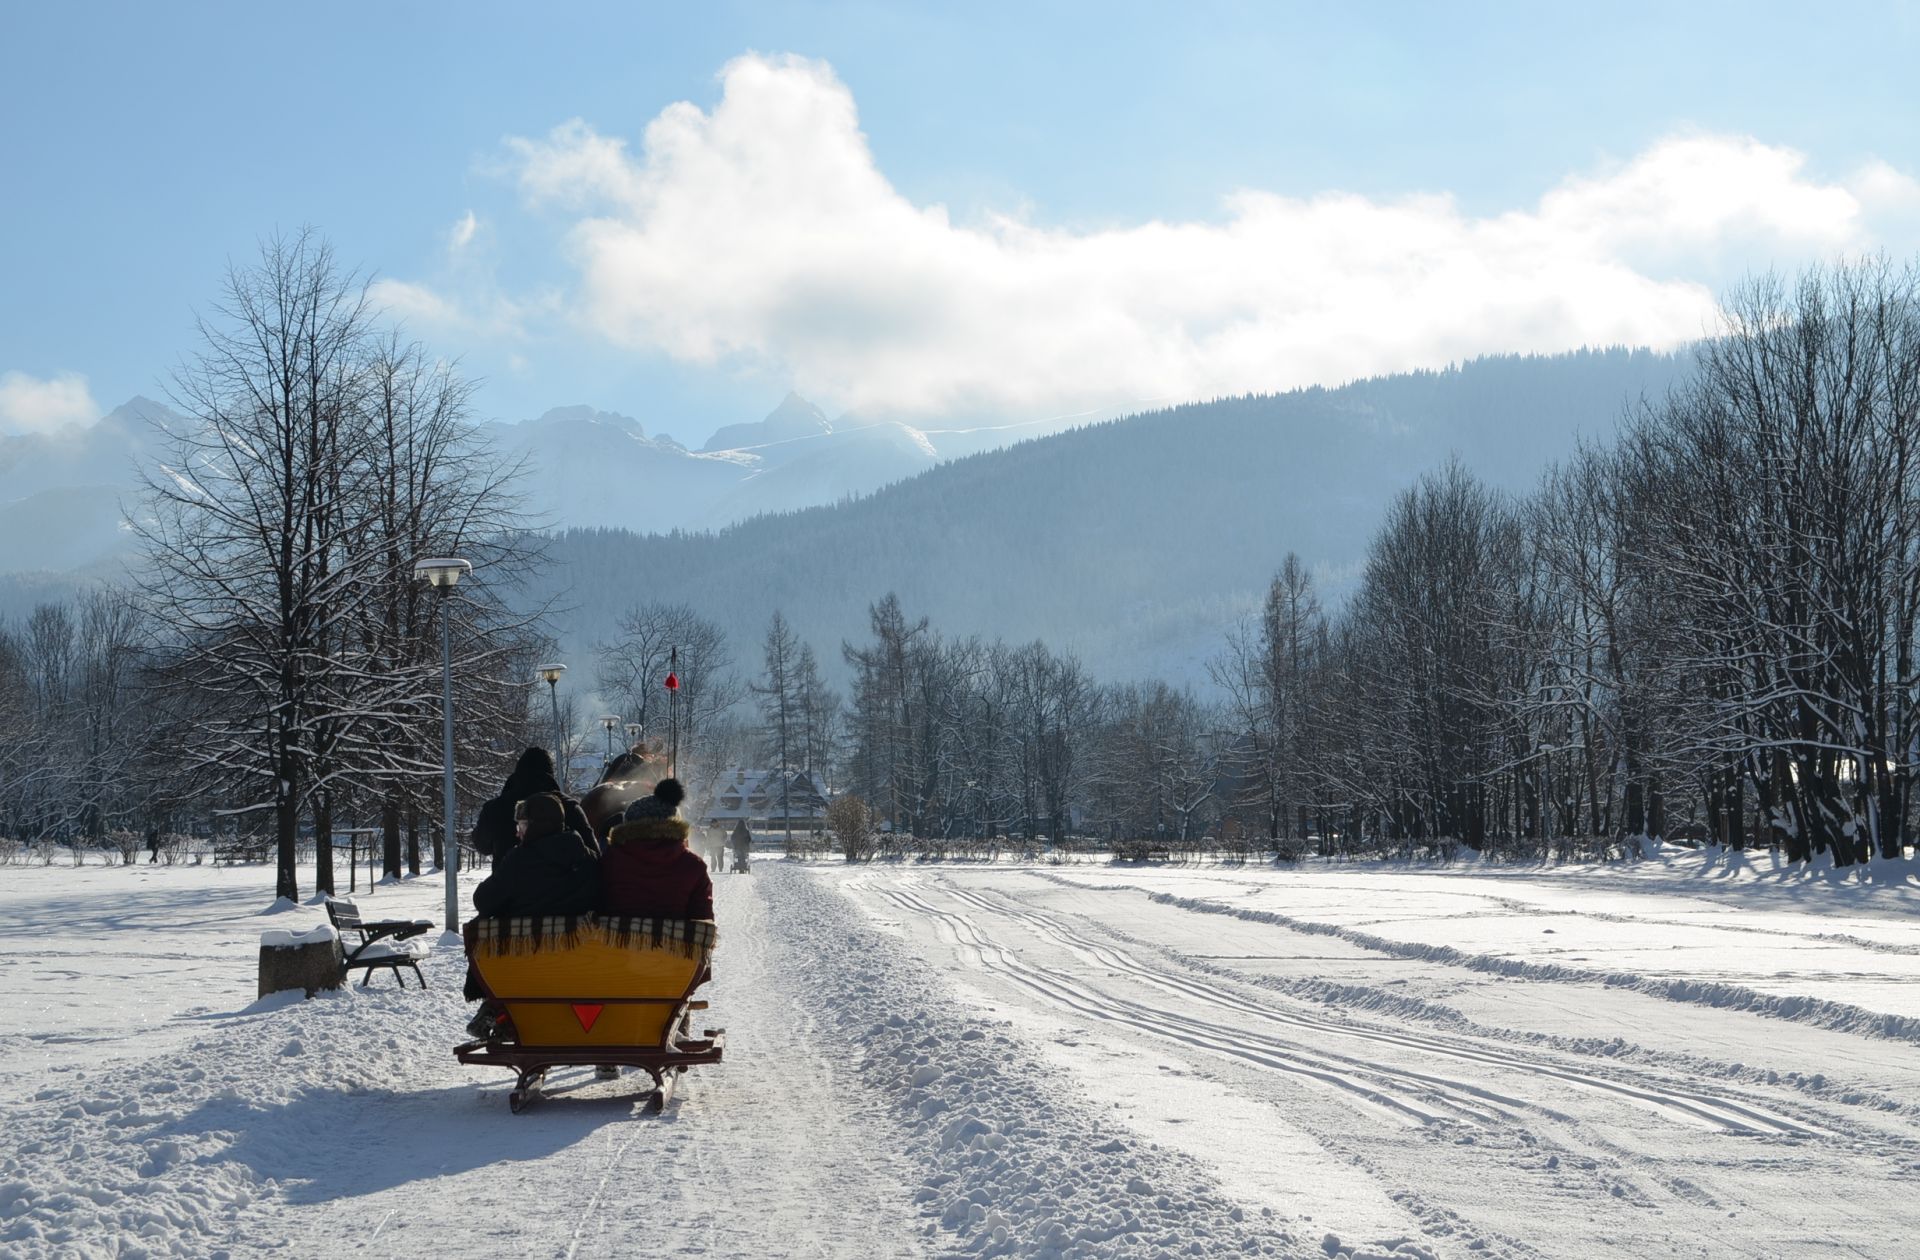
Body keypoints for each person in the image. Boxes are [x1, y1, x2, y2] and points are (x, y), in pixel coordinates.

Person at [463, 793, 602, 1040]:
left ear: (535, 825)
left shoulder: (520, 861)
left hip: (526, 972)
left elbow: (483, 900)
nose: (518, 832)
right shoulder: (588, 859)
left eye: (522, 825)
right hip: (581, 970)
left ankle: (502, 1012)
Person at [601, 779, 715, 921]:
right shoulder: (694, 865)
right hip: (673, 942)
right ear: (674, 822)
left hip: (616, 941)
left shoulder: (610, 859)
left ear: (627, 825)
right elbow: (703, 921)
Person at [470, 747, 599, 858]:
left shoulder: (496, 808)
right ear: (550, 774)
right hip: (564, 885)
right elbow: (594, 855)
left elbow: (482, 846)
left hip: (509, 883)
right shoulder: (569, 807)